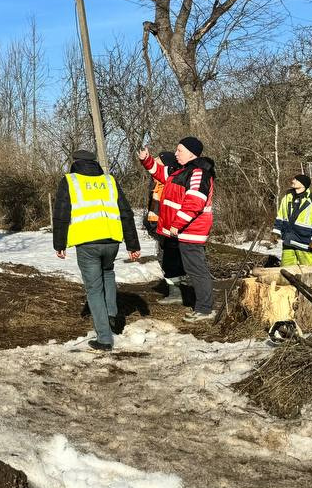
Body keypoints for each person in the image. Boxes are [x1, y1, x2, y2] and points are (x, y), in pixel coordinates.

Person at [53, 149, 142, 352]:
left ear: (75, 162)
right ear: (94, 163)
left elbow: (61, 214)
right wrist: (133, 245)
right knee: (108, 272)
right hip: (112, 240)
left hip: (87, 242)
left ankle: (104, 339)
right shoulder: (109, 180)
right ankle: (111, 313)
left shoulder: (70, 180)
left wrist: (59, 244)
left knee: (93, 289)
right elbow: (125, 212)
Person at [139, 137, 216, 323]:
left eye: (179, 150)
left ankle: (205, 309)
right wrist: (146, 159)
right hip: (183, 230)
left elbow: (194, 203)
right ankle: (200, 305)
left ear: (191, 153)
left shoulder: (198, 173)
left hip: (192, 230)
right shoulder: (179, 170)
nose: (175, 153)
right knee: (191, 267)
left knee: (196, 269)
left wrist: (177, 224)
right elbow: (159, 173)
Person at [145, 152, 186, 304]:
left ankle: (178, 293)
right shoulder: (156, 183)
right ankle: (177, 291)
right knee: (169, 260)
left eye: (158, 162)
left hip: (170, 228)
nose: (154, 165)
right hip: (161, 228)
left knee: (173, 261)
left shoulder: (169, 183)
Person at [273, 175, 312, 266]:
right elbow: (280, 216)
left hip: (304, 242)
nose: (293, 181)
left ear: (303, 184)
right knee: (286, 271)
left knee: (308, 271)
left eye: (296, 180)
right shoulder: (287, 197)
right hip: (288, 240)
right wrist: (276, 232)